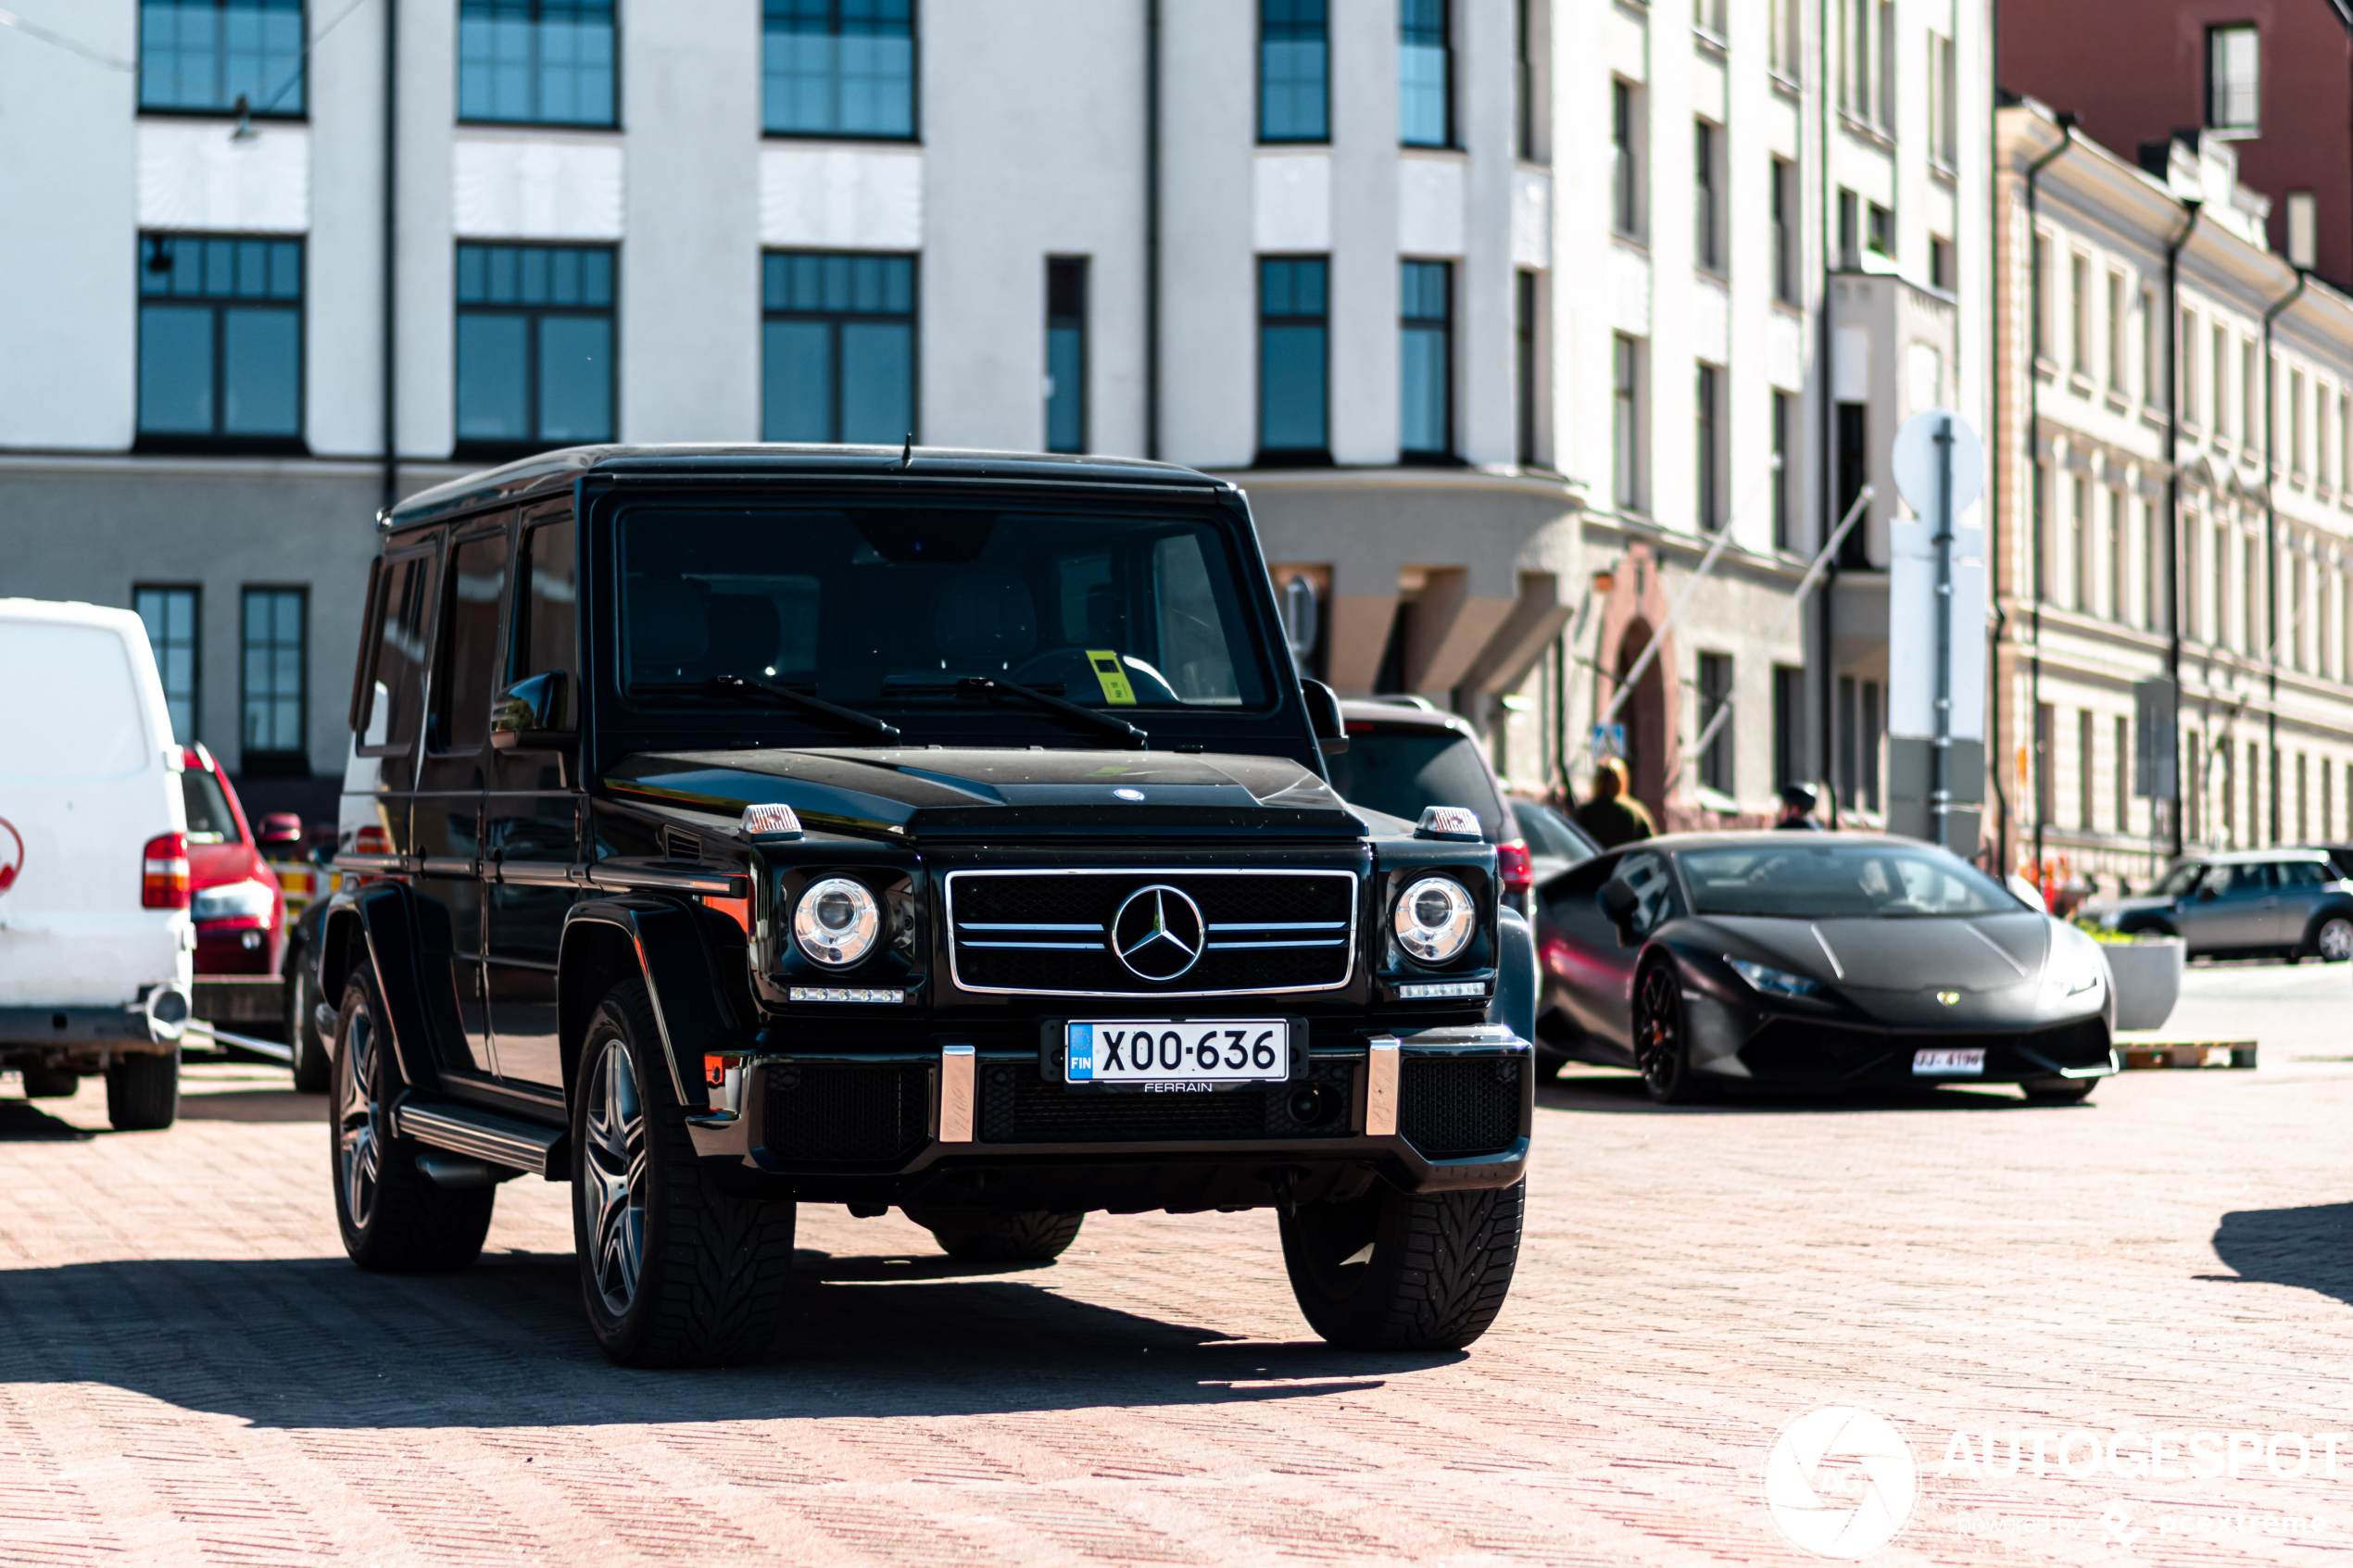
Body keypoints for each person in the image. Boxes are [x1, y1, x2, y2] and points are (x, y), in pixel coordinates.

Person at [1573, 758, 1656, 849]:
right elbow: (1650, 845)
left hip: (1595, 863)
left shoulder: (1584, 813)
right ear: (1622, 780)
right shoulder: (1635, 812)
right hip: (1627, 863)